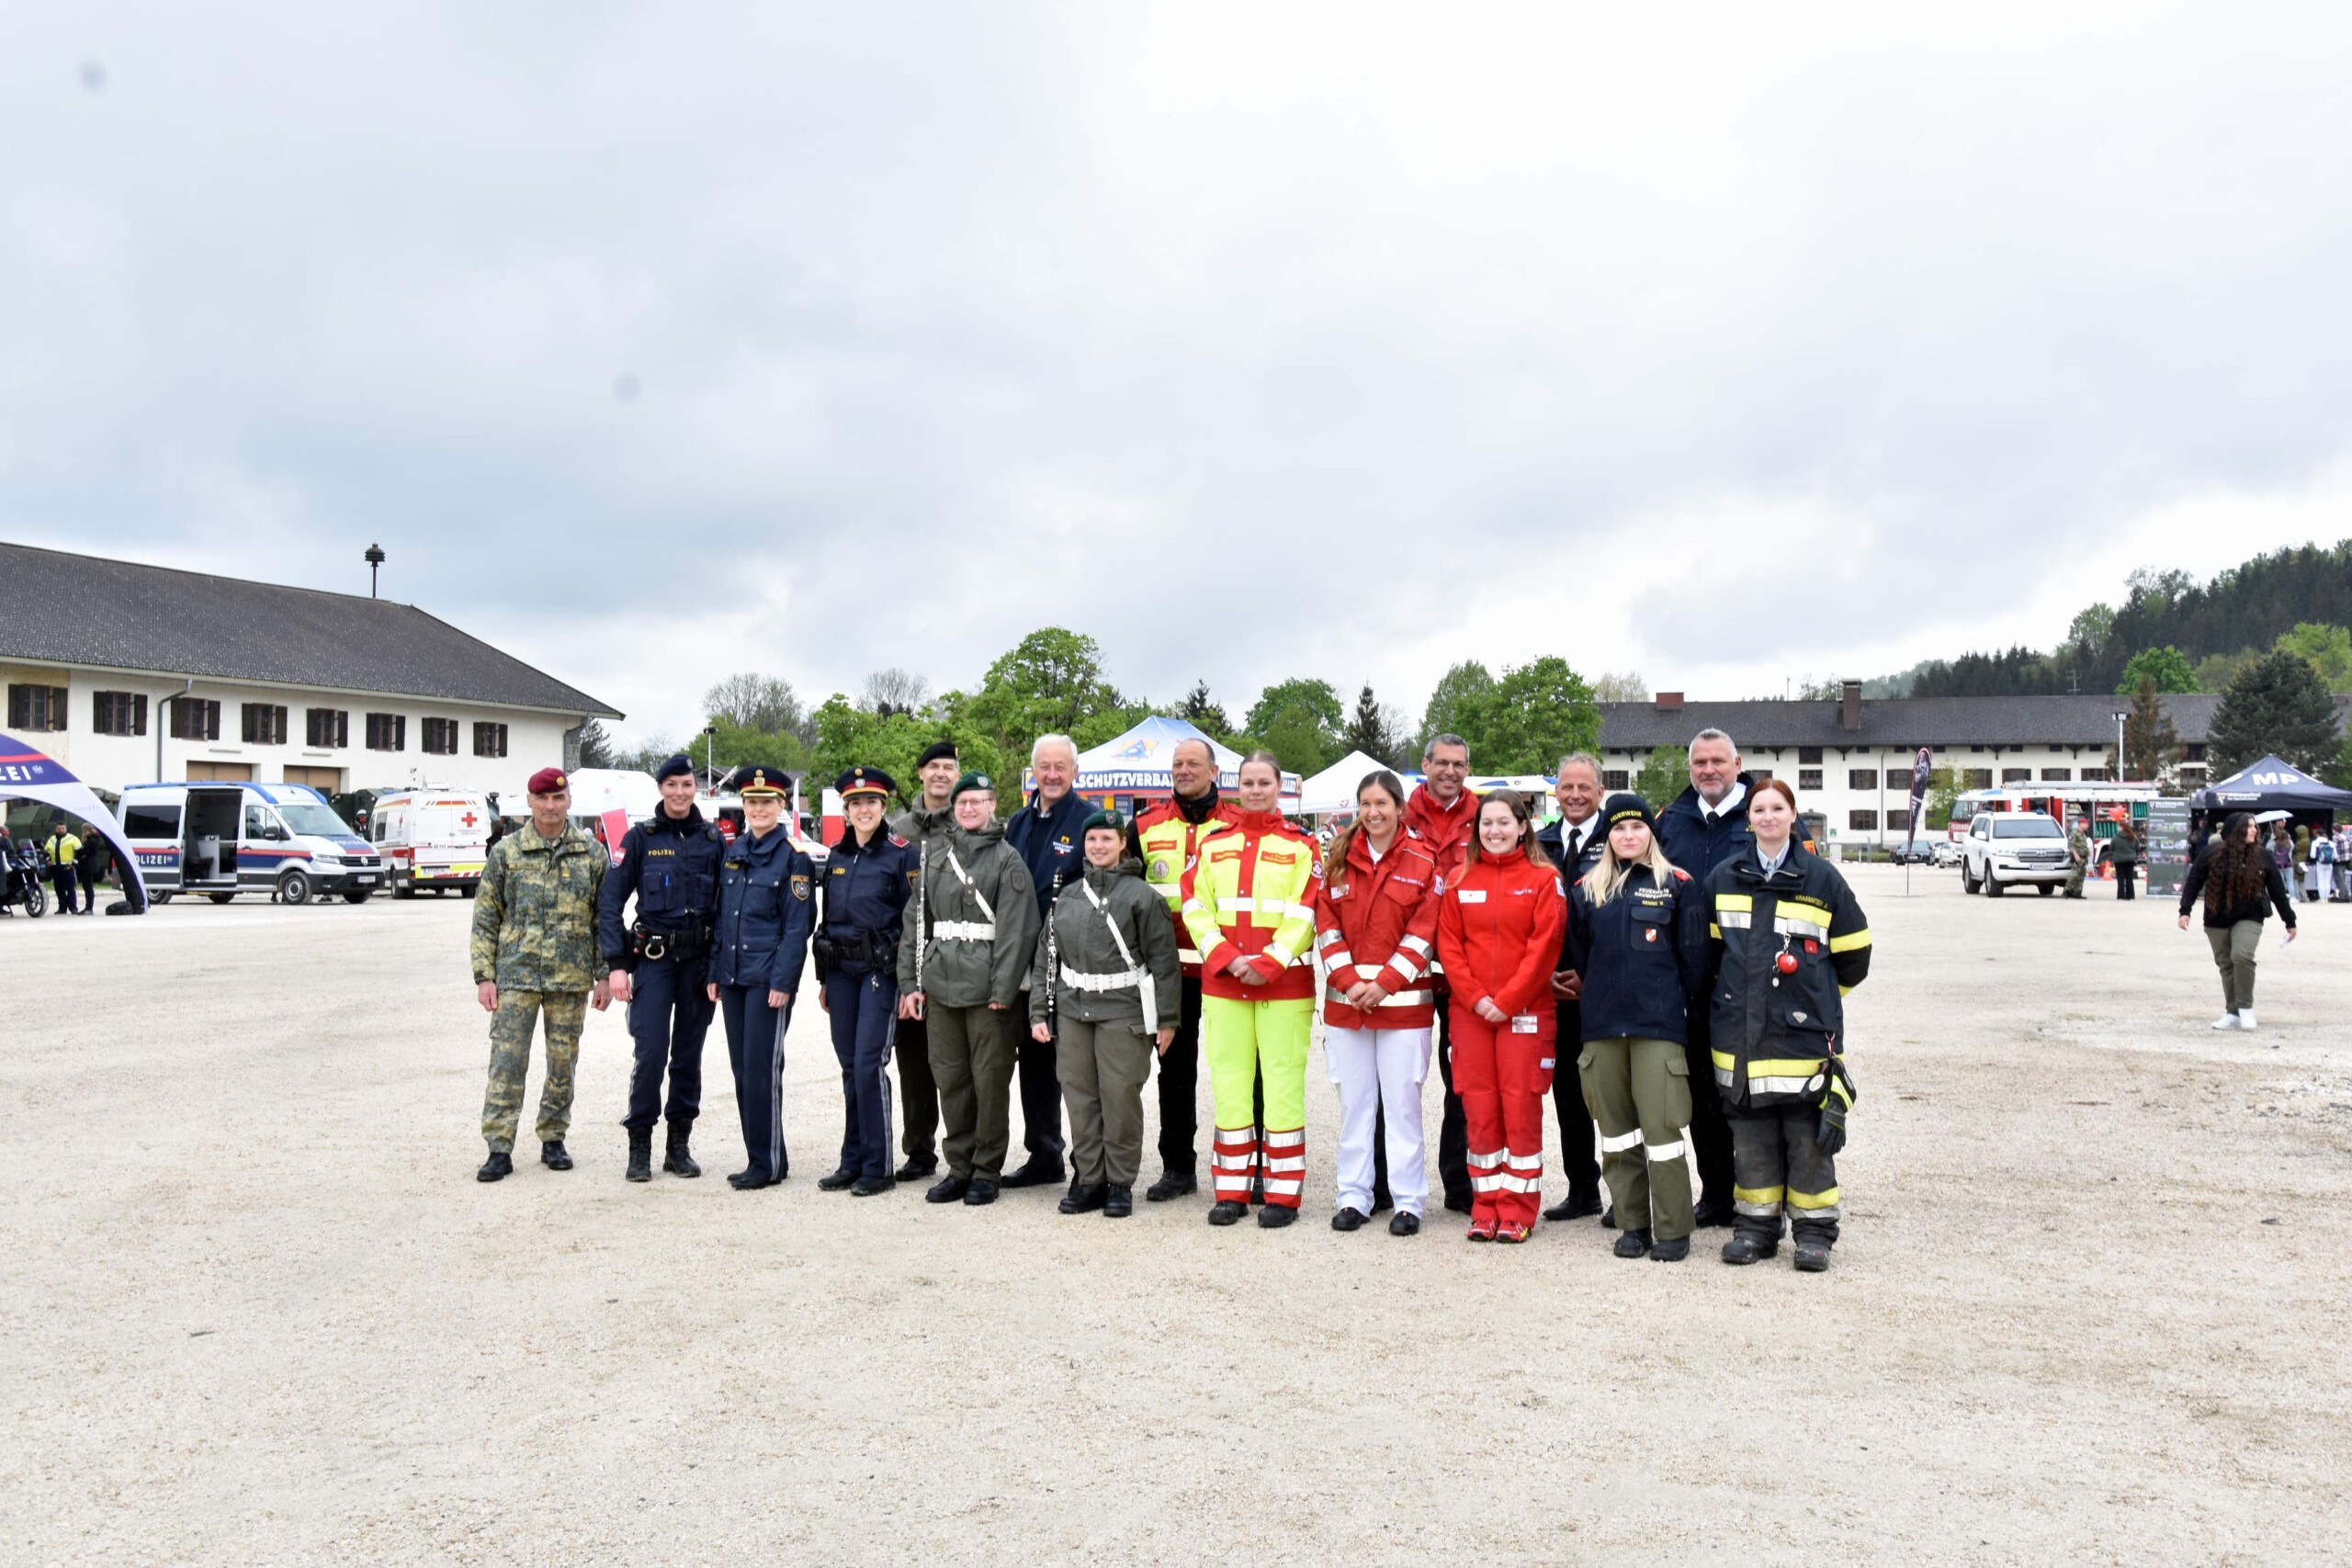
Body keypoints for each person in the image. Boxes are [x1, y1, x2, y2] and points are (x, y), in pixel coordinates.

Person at [1706, 778, 1872, 1272]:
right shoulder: (1723, 878)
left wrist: (1818, 999)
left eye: (1777, 808)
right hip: (1741, 1038)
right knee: (1750, 1138)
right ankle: (1756, 1229)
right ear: (1748, 818)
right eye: (1759, 809)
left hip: (1803, 1040)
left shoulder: (1822, 879)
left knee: (1808, 1138)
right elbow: (1711, 957)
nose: (1768, 817)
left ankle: (1814, 1234)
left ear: (1793, 815)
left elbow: (1855, 956)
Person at [1567, 794, 1711, 1261]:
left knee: (1663, 1132)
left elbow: (1694, 965)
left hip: (1658, 1028)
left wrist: (1673, 1012)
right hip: (1603, 1027)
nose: (1628, 835)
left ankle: (1672, 1228)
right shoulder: (1586, 890)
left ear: (1652, 832)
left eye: (1637, 827)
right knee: (1616, 1134)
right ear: (1606, 835)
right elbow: (1583, 959)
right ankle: (1632, 1224)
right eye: (1618, 828)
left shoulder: (1679, 886)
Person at [1182, 750, 1322, 1229]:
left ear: (1279, 787)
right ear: (1236, 786)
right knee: (1230, 1085)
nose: (1256, 790)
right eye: (1249, 783)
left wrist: (1269, 963)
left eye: (1265, 782)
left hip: (1284, 986)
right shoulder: (1213, 843)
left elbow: (1306, 910)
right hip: (1226, 984)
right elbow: (1195, 906)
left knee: (1282, 1088)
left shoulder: (1302, 845)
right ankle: (1231, 1192)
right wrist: (1226, 957)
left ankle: (1282, 1195)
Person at [899, 771, 1039, 1205]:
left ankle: (986, 1170)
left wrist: (1003, 990)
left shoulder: (1008, 860)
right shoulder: (936, 859)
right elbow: (916, 923)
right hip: (941, 986)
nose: (969, 808)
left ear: (992, 805)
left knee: (990, 1082)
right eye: (963, 803)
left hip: (988, 992)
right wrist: (911, 982)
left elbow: (1018, 931)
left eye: (978, 801)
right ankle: (959, 1167)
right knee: (951, 1079)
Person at [1313, 769, 1442, 1236]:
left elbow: (1425, 931)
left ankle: (1408, 1202)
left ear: (1400, 808)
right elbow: (1326, 925)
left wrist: (1384, 983)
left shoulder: (1423, 861)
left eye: (1382, 804)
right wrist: (1350, 983)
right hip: (1348, 1008)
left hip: (1403, 1008)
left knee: (1403, 1107)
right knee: (1355, 1106)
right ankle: (1354, 1197)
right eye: (1365, 804)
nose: (1373, 812)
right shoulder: (1338, 858)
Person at [1031, 808, 1179, 1219]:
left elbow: (1164, 963)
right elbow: (1046, 957)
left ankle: (1119, 1182)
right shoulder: (1068, 896)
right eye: (1092, 839)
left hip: (1123, 1009)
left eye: (1107, 839)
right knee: (1079, 1096)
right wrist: (1039, 1011)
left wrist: (1167, 1019)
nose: (1099, 846)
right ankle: (1090, 1178)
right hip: (1073, 1009)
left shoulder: (1143, 897)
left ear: (1122, 844)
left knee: (1120, 1097)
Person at [1434, 789, 1565, 1244]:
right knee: (1479, 1109)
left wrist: (1507, 1001)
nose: (1494, 830)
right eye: (1486, 822)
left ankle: (1517, 1210)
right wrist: (1475, 998)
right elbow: (1449, 946)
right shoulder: (1458, 879)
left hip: (1525, 1012)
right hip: (1470, 1014)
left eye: (1504, 822)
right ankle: (1485, 1207)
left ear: (1523, 827)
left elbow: (1545, 947)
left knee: (1520, 1108)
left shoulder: (1544, 879)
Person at [469, 769, 612, 1181]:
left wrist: (604, 974)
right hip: (516, 976)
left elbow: (604, 920)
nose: (550, 806)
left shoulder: (591, 854)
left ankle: (553, 1138)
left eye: (558, 798)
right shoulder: (506, 853)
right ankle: (499, 1147)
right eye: (542, 798)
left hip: (570, 977)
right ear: (529, 801)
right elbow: (485, 917)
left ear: (569, 801)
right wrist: (484, 975)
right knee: (506, 1063)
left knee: (562, 1063)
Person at [599, 754, 727, 1183]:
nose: (679, 793)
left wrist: (718, 968)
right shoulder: (640, 839)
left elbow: (727, 908)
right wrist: (617, 966)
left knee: (688, 1057)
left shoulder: (713, 840)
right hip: (653, 962)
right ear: (660, 789)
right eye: (671, 785)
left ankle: (678, 1146)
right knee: (651, 1053)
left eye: (687, 785)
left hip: (697, 965)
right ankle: (639, 1146)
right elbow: (609, 904)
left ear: (696, 789)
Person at [1651, 728, 1759, 1226]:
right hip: (1688, 980)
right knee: (1701, 1091)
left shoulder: (1763, 813)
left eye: (1718, 761)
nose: (1709, 770)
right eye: (1700, 763)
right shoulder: (1670, 821)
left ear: (1738, 764)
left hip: (1747, 978)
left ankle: (1760, 1197)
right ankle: (1716, 1193)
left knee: (1752, 1093)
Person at [1133, 736, 1239, 1201]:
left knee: (1238, 1068)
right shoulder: (1145, 826)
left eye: (1193, 763)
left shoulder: (1237, 825)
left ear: (1214, 772)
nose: (1183, 770)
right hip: (1170, 975)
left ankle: (1246, 1164)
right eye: (1177, 763)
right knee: (1174, 1073)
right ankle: (1178, 1167)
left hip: (1225, 971)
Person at [706, 765, 816, 1191]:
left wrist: (784, 982)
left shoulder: (794, 858)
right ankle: (767, 1156)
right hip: (734, 977)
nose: (758, 809)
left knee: (762, 1071)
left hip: (768, 979)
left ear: (781, 805)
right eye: (752, 802)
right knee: (742, 1070)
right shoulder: (735, 851)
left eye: (767, 802)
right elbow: (723, 917)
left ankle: (764, 1164)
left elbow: (797, 926)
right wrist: (716, 971)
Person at [816, 767, 922, 1195]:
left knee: (868, 1064)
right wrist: (823, 979)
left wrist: (910, 982)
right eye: (856, 803)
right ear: (846, 809)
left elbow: (915, 921)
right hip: (841, 973)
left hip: (880, 972)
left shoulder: (902, 854)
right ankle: (853, 1160)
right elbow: (827, 920)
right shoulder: (837, 855)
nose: (864, 809)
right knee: (849, 1066)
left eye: (871, 802)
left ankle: (878, 1167)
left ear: (883, 807)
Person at [1001, 734, 1086, 1189]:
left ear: (1074, 772)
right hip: (1025, 960)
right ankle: (1044, 1154)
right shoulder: (1017, 822)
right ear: (1033, 771)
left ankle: (1088, 1162)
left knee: (1073, 1064)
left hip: (1070, 959)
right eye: (1044, 767)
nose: (1052, 775)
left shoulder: (1088, 820)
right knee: (1033, 1061)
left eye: (1060, 767)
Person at [1401, 733, 1477, 1213]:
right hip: (1404, 971)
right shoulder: (1398, 814)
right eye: (1441, 763)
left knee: (1462, 1082)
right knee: (1396, 1081)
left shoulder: (1486, 815)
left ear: (1468, 769)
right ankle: (1387, 1183)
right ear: (1425, 765)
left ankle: (1460, 1183)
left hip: (1460, 974)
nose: (1450, 771)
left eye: (1458, 764)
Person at [1534, 752, 1608, 1223]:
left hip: (1604, 989)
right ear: (1556, 792)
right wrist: (1541, 975)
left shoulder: (1621, 836)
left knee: (1616, 1096)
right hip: (1553, 990)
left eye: (1584, 787)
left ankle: (1629, 1194)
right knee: (1567, 1095)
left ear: (1600, 791)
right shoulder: (1539, 843)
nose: (1575, 795)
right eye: (1567, 787)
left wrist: (1590, 973)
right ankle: (1583, 1189)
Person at [887, 739, 961, 1180]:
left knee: (956, 1066)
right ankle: (919, 1150)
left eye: (948, 767)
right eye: (933, 766)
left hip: (958, 961)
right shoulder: (898, 831)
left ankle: (965, 1153)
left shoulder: (970, 823)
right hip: (910, 961)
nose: (940, 774)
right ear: (920, 774)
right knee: (914, 1065)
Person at [2178, 811, 2296, 1032]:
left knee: (2242, 956)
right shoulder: (2211, 853)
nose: (2254, 830)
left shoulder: (2262, 855)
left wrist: (2289, 921)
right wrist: (2185, 910)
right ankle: (2232, 1012)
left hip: (2250, 915)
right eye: (2249, 826)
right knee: (2226, 963)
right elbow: (2194, 881)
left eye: (2254, 826)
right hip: (2216, 915)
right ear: (2235, 830)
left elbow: (2277, 890)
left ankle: (2245, 1008)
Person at [44, 821, 82, 917]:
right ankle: (62, 908)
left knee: (71, 889)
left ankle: (73, 908)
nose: (61, 831)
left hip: (68, 867)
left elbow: (79, 853)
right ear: (55, 829)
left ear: (66, 829)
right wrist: (48, 860)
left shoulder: (73, 838)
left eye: (63, 829)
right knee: (59, 889)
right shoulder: (51, 839)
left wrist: (74, 864)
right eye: (59, 829)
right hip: (56, 867)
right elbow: (46, 852)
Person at [76, 825, 114, 913]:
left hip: (89, 865)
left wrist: (80, 853)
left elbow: (84, 852)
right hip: (87, 864)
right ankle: (88, 907)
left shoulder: (92, 841)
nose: (83, 833)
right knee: (87, 886)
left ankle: (89, 907)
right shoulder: (92, 840)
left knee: (88, 887)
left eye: (85, 831)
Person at [2109, 816, 2141, 902]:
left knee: (2120, 878)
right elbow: (2138, 848)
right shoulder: (2133, 837)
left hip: (2118, 860)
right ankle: (2130, 895)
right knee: (2129, 878)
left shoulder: (2116, 837)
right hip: (2130, 860)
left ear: (2121, 828)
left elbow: (2111, 848)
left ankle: (2121, 895)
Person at [2064, 818, 2093, 899]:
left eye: (2087, 824)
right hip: (2077, 858)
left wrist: (2088, 852)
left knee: (2081, 876)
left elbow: (2083, 845)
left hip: (2083, 859)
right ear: (2080, 824)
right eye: (2086, 824)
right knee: (2074, 876)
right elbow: (2071, 846)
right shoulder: (2074, 833)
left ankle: (2077, 892)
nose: (2087, 826)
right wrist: (2076, 855)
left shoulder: (2083, 834)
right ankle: (2067, 891)